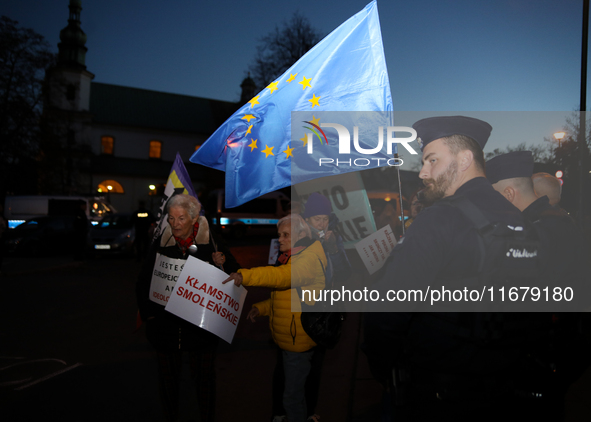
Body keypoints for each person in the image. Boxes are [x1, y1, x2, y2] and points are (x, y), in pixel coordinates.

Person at [364, 116, 551, 421]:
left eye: (432, 160)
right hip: (503, 388)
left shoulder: (439, 219)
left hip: (436, 391)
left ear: (464, 159)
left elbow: (387, 312)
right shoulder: (522, 222)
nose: (424, 172)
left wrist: (384, 368)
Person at [136, 194, 238, 422]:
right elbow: (143, 282)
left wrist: (222, 264)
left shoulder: (211, 241)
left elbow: (235, 274)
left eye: (181, 218)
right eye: (171, 219)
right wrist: (150, 316)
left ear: (193, 218)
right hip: (165, 328)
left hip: (200, 330)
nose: (175, 224)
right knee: (167, 382)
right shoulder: (160, 243)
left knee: (204, 382)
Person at [223, 214, 326, 422]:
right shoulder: (294, 256)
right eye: (279, 234)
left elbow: (282, 277)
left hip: (297, 342)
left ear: (302, 234)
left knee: (291, 399)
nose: (280, 239)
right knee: (295, 395)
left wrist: (246, 276)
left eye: (286, 235)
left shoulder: (308, 259)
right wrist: (262, 308)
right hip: (290, 338)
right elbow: (287, 296)